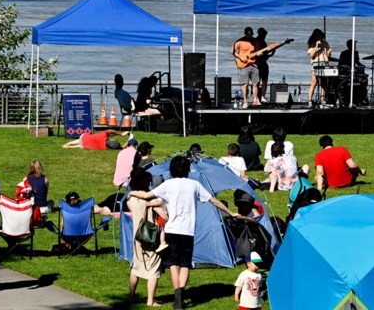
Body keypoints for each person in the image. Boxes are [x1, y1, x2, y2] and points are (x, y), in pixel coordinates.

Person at [129, 155, 240, 310]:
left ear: (172, 170)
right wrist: (230, 212)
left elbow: (147, 195)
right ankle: (181, 293)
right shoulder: (194, 185)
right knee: (185, 264)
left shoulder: (168, 185)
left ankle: (177, 294)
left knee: (173, 264)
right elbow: (213, 201)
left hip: (172, 230)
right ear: (188, 169)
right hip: (188, 231)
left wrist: (132, 193)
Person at [125, 167, 167, 307]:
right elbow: (164, 217)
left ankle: (131, 296)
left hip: (137, 236)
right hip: (151, 237)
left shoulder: (131, 200)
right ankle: (150, 300)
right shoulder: (149, 199)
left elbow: (130, 207)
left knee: (136, 268)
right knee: (153, 269)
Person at [232, 27, 260, 108]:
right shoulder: (240, 41)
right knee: (245, 84)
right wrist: (241, 58)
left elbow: (257, 51)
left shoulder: (255, 41)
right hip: (243, 65)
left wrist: (258, 54)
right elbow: (233, 52)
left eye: (251, 34)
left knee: (256, 83)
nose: (250, 36)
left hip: (254, 64)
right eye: (248, 34)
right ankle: (245, 102)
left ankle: (255, 100)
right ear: (245, 34)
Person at [307, 29, 331, 107]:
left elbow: (328, 56)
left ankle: (322, 99)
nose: (320, 37)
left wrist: (329, 52)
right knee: (314, 82)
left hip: (324, 63)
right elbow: (312, 55)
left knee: (323, 83)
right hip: (316, 64)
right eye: (319, 36)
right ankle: (310, 100)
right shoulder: (312, 44)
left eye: (321, 36)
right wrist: (316, 46)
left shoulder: (325, 43)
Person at [254, 27, 275, 103]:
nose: (266, 35)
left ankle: (258, 97)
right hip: (260, 64)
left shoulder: (258, 41)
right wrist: (271, 53)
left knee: (260, 81)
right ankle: (261, 97)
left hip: (260, 63)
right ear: (261, 34)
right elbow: (263, 55)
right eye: (265, 33)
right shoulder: (260, 42)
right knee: (261, 81)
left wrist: (272, 53)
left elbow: (265, 56)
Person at [62, 128, 129, 149]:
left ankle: (67, 144)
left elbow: (110, 131)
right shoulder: (105, 148)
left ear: (112, 139)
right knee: (76, 146)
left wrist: (121, 134)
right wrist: (130, 140)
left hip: (84, 138)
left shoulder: (103, 135)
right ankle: (67, 146)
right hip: (85, 146)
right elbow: (122, 147)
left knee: (74, 142)